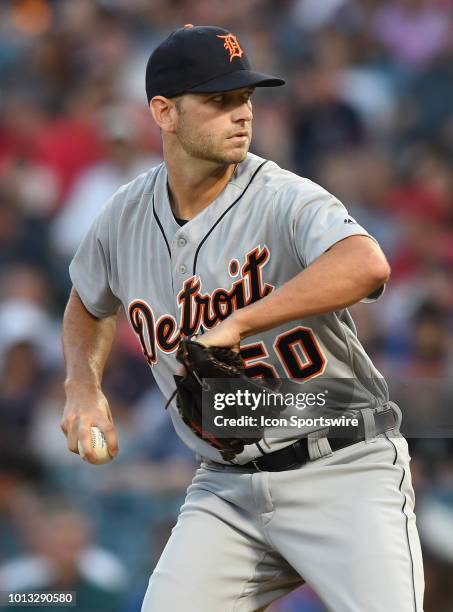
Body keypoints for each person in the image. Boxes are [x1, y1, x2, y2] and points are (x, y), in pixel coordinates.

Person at [61, 25, 424, 612]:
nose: (243, 114)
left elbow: (367, 265)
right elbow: (86, 304)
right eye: (220, 100)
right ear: (164, 112)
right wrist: (82, 384)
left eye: (246, 98)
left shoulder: (283, 196)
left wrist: (236, 324)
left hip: (344, 467)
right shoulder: (122, 217)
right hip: (226, 485)